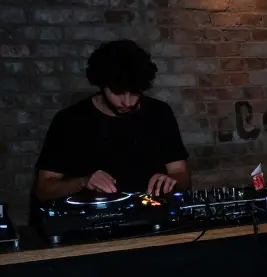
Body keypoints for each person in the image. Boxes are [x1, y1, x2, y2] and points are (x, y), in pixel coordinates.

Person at [35, 39, 191, 202]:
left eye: (135, 92)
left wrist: (173, 181)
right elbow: (43, 189)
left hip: (153, 216)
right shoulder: (69, 120)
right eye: (118, 92)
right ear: (102, 85)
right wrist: (83, 182)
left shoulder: (159, 113)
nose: (128, 102)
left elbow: (182, 174)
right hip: (93, 221)